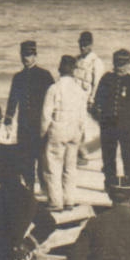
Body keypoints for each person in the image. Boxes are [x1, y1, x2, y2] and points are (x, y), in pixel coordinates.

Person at [38, 55, 91, 210]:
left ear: (60, 69)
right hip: (74, 130)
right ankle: (69, 200)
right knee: (70, 167)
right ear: (74, 71)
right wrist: (81, 134)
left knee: (53, 167)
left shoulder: (54, 88)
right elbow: (83, 116)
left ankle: (55, 202)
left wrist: (42, 133)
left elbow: (46, 115)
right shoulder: (80, 91)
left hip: (58, 129)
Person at [93, 49, 130, 186]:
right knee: (108, 155)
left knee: (127, 154)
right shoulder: (106, 79)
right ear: (114, 64)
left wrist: (128, 115)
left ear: (129, 64)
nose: (121, 67)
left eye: (124, 64)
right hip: (108, 124)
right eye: (118, 64)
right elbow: (98, 99)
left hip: (127, 126)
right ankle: (110, 182)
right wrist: (102, 115)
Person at [6, 40, 55, 186]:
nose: (26, 58)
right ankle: (29, 187)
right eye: (23, 55)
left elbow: (53, 98)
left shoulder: (45, 75)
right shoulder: (18, 77)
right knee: (25, 157)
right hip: (24, 123)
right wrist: (8, 118)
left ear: (35, 56)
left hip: (40, 124)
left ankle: (45, 187)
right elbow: (12, 99)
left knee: (41, 157)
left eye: (29, 55)